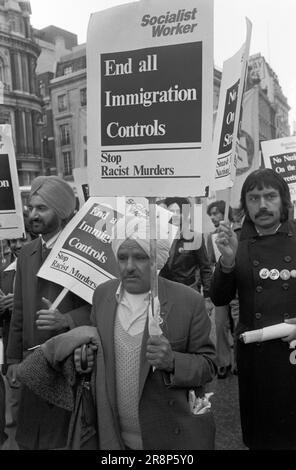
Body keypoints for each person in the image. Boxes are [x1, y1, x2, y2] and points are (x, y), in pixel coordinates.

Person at [75, 215, 217, 450]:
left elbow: (209, 366)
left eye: (140, 257)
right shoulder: (102, 295)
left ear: (157, 260)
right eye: (122, 257)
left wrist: (173, 362)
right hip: (115, 437)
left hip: (169, 437)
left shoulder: (188, 301)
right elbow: (99, 354)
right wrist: (86, 359)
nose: (129, 266)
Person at [210, 168, 296, 450]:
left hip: (293, 352)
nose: (262, 205)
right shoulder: (236, 243)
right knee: (262, 435)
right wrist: (227, 262)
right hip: (255, 359)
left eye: (270, 196)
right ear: (244, 205)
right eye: (254, 197)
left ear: (283, 201)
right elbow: (219, 297)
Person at [6, 176, 91, 450]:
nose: (33, 215)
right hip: (31, 367)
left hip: (67, 368)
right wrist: (12, 361)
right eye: (31, 208)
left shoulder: (82, 252)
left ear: (63, 210)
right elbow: (19, 313)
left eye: (42, 208)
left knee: (63, 440)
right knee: (30, 439)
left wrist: (67, 320)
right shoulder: (27, 252)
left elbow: (100, 307)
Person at [206, 200, 239, 378]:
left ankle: (239, 361)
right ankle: (223, 362)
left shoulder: (239, 232)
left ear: (225, 213)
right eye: (210, 214)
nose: (213, 217)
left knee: (239, 324)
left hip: (239, 288)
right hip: (220, 287)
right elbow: (209, 260)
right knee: (220, 325)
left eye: (216, 213)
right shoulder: (210, 236)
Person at [159, 197, 213, 298]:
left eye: (178, 211)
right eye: (171, 211)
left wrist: (208, 296)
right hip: (165, 290)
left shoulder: (195, 237)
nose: (174, 215)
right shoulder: (161, 237)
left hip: (188, 289)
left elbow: (205, 268)